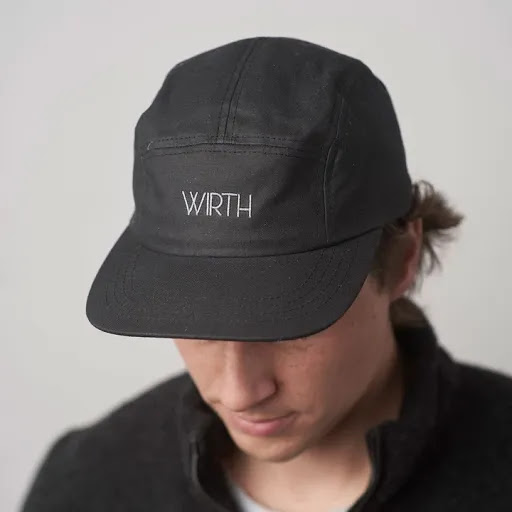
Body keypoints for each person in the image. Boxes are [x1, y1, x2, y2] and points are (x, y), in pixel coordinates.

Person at [20, 36, 512, 512]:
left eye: (286, 326)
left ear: (402, 258)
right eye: (196, 319)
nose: (240, 392)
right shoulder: (86, 482)